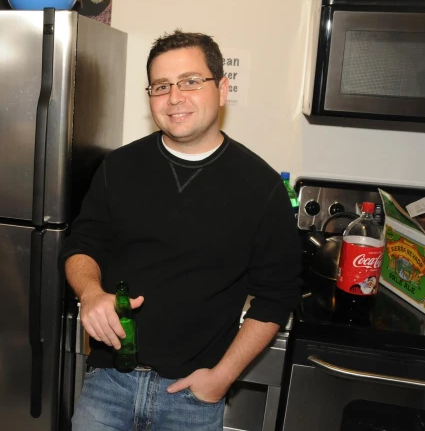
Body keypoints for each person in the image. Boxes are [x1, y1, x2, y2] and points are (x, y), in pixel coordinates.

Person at [61, 30, 302, 430]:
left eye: (190, 81)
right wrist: (90, 291)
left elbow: (276, 297)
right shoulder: (119, 168)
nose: (174, 97)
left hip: (192, 400)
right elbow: (81, 245)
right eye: (161, 86)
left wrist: (221, 379)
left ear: (222, 89)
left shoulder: (260, 187)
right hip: (108, 384)